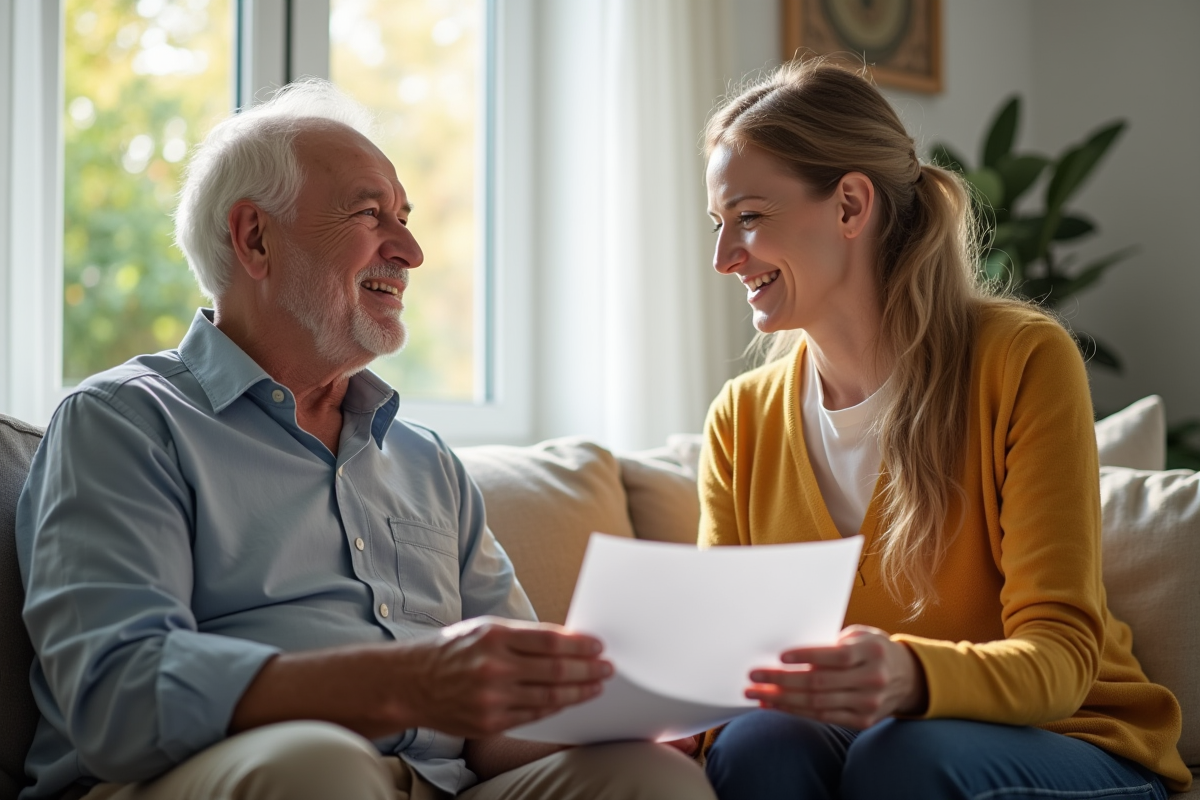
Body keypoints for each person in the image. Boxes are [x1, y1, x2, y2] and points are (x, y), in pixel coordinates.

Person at [15, 81, 715, 800]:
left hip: (433, 784)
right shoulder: (126, 421)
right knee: (322, 764)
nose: (411, 251)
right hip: (220, 778)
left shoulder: (426, 462)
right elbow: (119, 697)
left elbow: (501, 721)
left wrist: (613, 718)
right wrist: (404, 683)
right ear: (254, 237)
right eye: (370, 214)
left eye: (405, 219)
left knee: (647, 774)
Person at [694, 59, 1191, 799]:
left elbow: (1060, 659)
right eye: (718, 224)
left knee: (903, 758)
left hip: (1069, 736)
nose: (723, 258)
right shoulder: (741, 419)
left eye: (750, 217)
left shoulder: (1020, 360)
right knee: (758, 744)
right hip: (867, 739)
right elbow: (723, 666)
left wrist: (910, 675)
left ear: (850, 205)